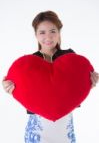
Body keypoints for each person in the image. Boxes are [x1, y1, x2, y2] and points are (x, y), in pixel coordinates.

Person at [2, 11, 99, 143]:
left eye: (53, 31)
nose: (48, 36)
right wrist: (10, 88)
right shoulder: (27, 64)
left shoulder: (71, 58)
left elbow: (73, 90)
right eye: (42, 32)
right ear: (35, 35)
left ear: (59, 33)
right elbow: (25, 92)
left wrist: (89, 84)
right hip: (37, 129)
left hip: (64, 128)